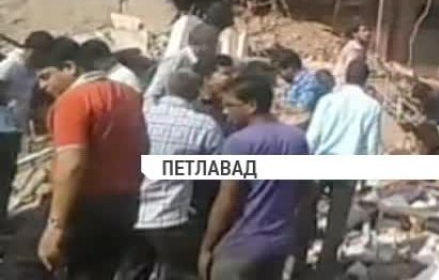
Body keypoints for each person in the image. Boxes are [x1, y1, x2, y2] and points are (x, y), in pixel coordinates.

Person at [7, 37, 148, 279]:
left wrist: (55, 226)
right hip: (124, 207)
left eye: (46, 76)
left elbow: (72, 164)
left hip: (83, 205)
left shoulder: (73, 101)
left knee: (21, 264)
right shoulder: (129, 95)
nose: (42, 86)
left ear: (69, 68)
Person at [199, 76, 309, 280]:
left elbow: (228, 200)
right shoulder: (297, 139)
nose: (226, 112)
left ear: (251, 105)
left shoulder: (239, 142)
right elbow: (303, 192)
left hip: (243, 244)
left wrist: (207, 247)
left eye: (230, 105)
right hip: (279, 243)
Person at [120, 69, 224, 280]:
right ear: (197, 92)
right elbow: (217, 174)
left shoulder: (139, 116)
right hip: (173, 216)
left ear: (166, 88)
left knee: (131, 273)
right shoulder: (203, 125)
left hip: (131, 213)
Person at [302, 60, 382, 278]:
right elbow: (371, 146)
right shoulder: (371, 106)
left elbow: (313, 136)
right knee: (336, 221)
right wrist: (370, 182)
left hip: (320, 163)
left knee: (306, 213)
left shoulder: (328, 100)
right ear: (366, 80)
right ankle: (325, 268)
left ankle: (299, 262)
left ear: (345, 76)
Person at [145, 23, 220, 106]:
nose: (216, 50)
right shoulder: (175, 60)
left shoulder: (204, 62)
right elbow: (153, 92)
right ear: (203, 46)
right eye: (214, 45)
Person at [0, 30, 54, 134]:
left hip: (20, 125)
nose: (44, 59)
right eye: (43, 55)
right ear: (32, 52)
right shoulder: (10, 66)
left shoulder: (33, 69)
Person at [277, 49, 327, 113]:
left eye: (280, 71)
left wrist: (282, 107)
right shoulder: (298, 82)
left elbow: (303, 108)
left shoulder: (309, 82)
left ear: (291, 67)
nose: (280, 75)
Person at [332, 20, 371, 87]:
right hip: (342, 82)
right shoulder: (354, 48)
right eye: (364, 30)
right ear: (355, 34)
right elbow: (350, 69)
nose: (368, 33)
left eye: (369, 30)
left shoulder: (361, 47)